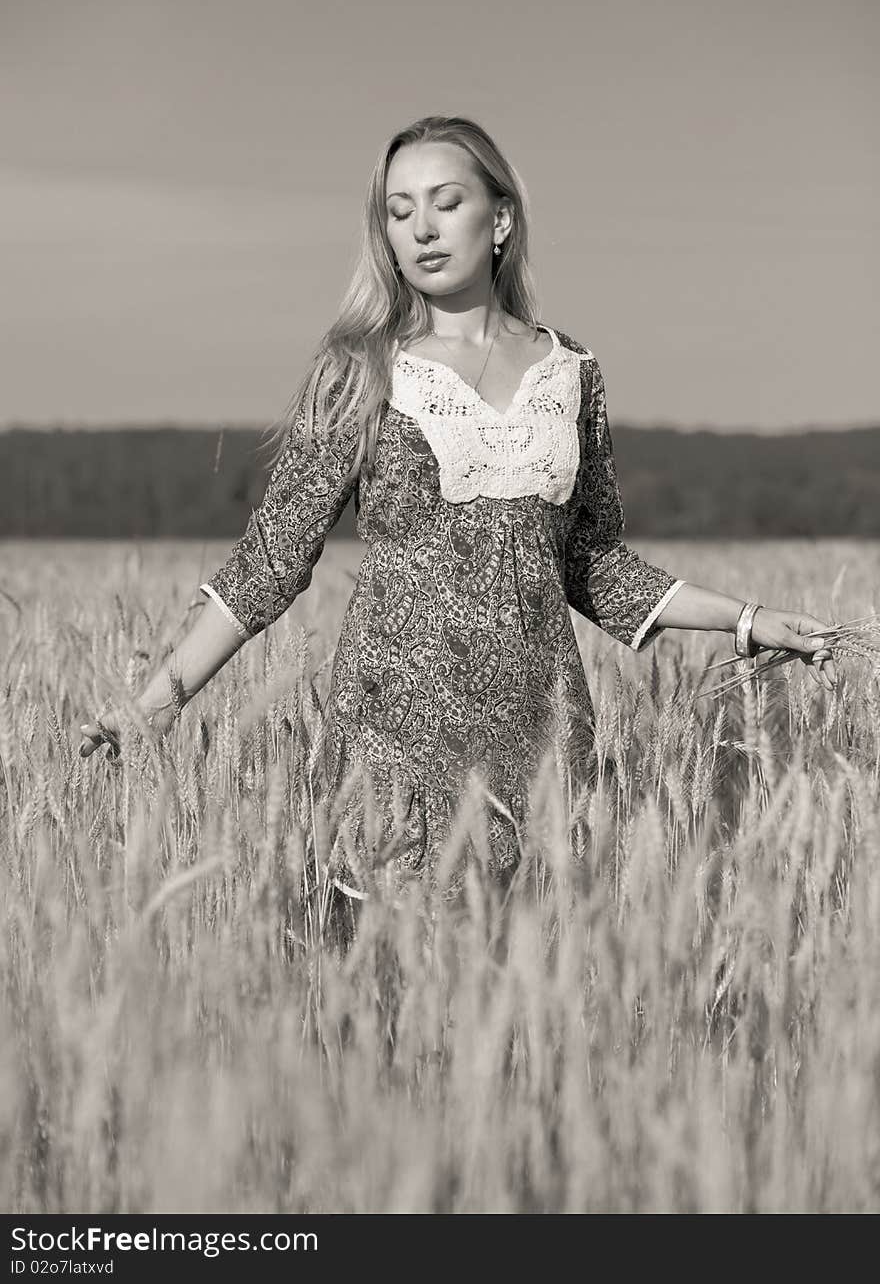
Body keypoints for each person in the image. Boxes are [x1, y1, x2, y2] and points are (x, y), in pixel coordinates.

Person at [78, 114, 836, 905]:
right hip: (393, 739)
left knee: (524, 1003)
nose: (422, 229)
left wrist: (750, 621)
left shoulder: (573, 372)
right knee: (397, 998)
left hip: (541, 739)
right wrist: (154, 708)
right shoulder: (361, 370)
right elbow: (271, 561)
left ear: (500, 218)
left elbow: (593, 564)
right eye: (399, 212)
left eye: (444, 202)